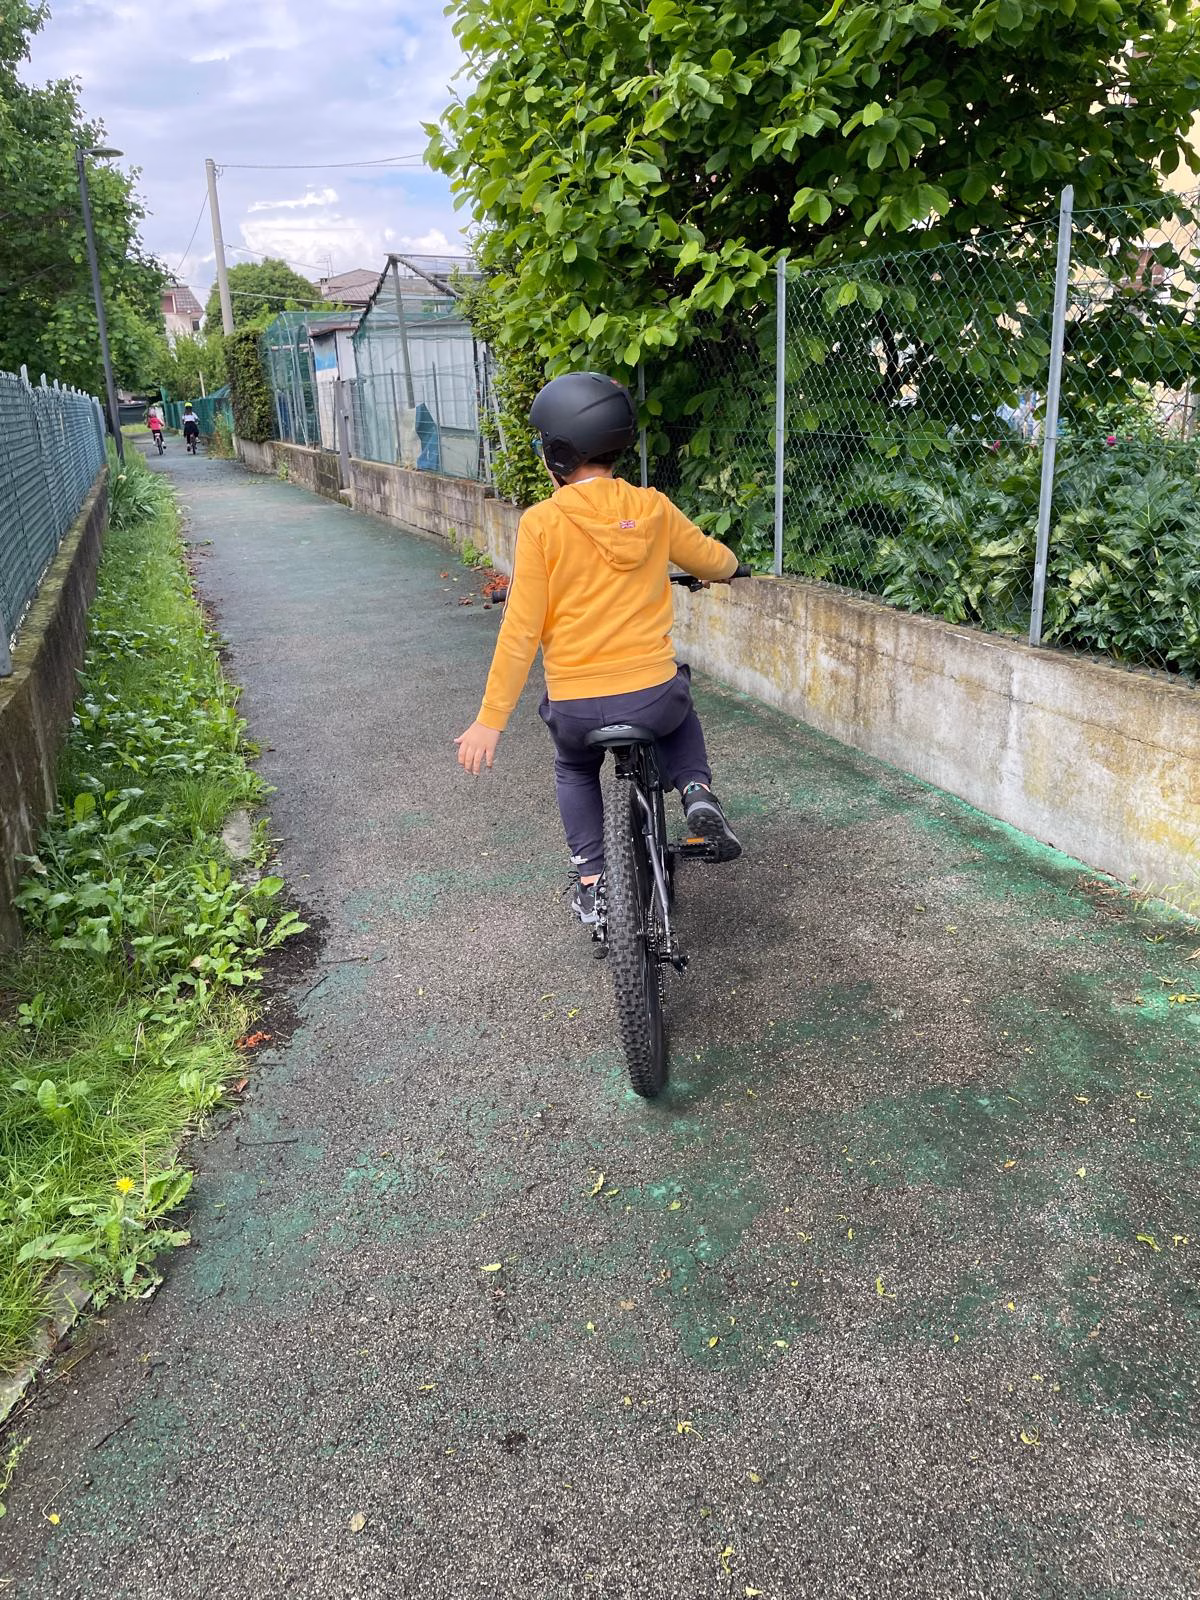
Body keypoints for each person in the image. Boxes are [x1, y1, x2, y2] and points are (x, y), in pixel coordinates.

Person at [455, 371, 742, 925]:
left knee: (574, 768)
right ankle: (696, 790)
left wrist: (491, 720)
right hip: (650, 697)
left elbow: (521, 630)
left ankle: (593, 879)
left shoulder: (541, 523)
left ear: (557, 454)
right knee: (678, 702)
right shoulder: (652, 507)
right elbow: (712, 558)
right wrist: (728, 570)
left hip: (577, 707)